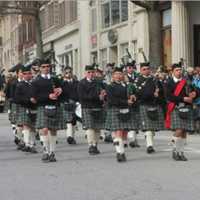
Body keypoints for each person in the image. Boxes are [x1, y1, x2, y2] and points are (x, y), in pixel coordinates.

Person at [32, 59, 63, 162]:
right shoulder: (36, 81)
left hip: (55, 106)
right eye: (43, 67)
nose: (46, 68)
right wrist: (48, 96)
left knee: (53, 130)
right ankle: (45, 152)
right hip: (43, 106)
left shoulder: (55, 79)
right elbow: (35, 97)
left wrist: (60, 91)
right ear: (40, 69)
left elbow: (63, 91)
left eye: (47, 66)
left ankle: (52, 153)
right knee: (44, 129)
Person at [105, 67, 138, 162]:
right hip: (115, 109)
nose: (118, 76)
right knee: (118, 132)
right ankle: (120, 153)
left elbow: (134, 94)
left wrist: (133, 96)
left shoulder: (127, 86)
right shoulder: (110, 86)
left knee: (124, 132)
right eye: (116, 74)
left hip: (126, 110)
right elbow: (112, 100)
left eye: (120, 74)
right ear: (113, 76)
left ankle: (121, 150)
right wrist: (126, 102)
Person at [165, 63, 196, 161]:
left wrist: (195, 93)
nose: (179, 72)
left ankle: (181, 152)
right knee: (179, 130)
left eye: (180, 70)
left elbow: (195, 90)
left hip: (187, 108)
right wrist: (183, 99)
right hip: (176, 107)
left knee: (184, 132)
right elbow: (169, 97)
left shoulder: (186, 81)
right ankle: (174, 149)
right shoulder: (168, 83)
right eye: (177, 70)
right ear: (172, 72)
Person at [135, 62, 165, 154]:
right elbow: (138, 94)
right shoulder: (138, 81)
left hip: (155, 105)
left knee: (152, 128)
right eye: (144, 69)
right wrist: (151, 94)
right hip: (144, 104)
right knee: (148, 127)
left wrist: (158, 95)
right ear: (140, 71)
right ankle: (149, 146)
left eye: (148, 69)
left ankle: (149, 140)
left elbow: (162, 93)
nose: (146, 71)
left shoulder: (155, 80)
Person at [77, 65, 106, 155]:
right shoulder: (81, 83)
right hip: (87, 107)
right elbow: (82, 97)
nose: (91, 74)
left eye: (92, 72)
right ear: (85, 73)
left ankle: (95, 145)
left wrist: (104, 95)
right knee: (90, 127)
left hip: (98, 107)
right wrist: (98, 97)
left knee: (97, 128)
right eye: (89, 72)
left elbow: (105, 92)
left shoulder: (99, 82)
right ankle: (91, 146)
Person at [15, 65, 37, 153]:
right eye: (25, 74)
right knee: (26, 126)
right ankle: (27, 144)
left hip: (35, 107)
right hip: (24, 107)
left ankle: (32, 144)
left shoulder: (35, 84)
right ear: (23, 75)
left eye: (29, 73)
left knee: (33, 127)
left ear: (31, 74)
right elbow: (17, 99)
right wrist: (28, 100)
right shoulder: (19, 85)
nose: (27, 75)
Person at [124, 61, 140, 148]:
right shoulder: (123, 76)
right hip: (126, 101)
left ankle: (134, 140)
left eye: (131, 67)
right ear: (126, 68)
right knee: (126, 121)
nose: (130, 69)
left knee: (135, 121)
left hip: (136, 101)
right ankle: (125, 140)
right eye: (129, 67)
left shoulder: (137, 76)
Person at [61, 66, 79, 145]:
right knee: (68, 120)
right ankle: (69, 136)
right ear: (64, 73)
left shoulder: (76, 82)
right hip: (66, 103)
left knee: (73, 121)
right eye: (66, 72)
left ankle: (72, 136)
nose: (68, 74)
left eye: (69, 72)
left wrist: (78, 101)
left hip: (75, 103)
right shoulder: (61, 83)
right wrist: (63, 101)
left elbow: (79, 93)